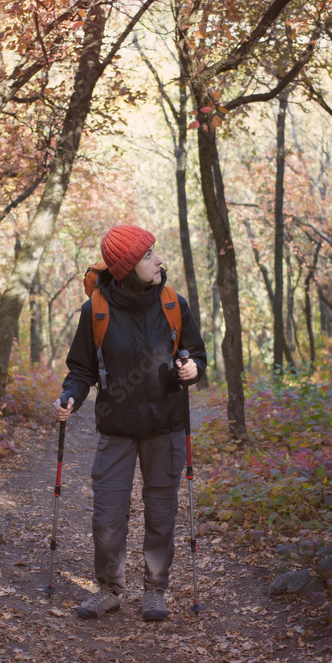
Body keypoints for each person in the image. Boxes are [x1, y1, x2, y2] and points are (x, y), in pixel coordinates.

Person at [52, 224, 207, 622]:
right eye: (147, 255)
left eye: (154, 252)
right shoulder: (97, 310)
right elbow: (81, 369)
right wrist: (70, 396)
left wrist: (192, 370)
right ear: (126, 266)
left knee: (160, 513)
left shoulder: (174, 304)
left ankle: (155, 591)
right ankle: (109, 589)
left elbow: (198, 357)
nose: (158, 260)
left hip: (166, 427)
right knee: (107, 515)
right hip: (116, 430)